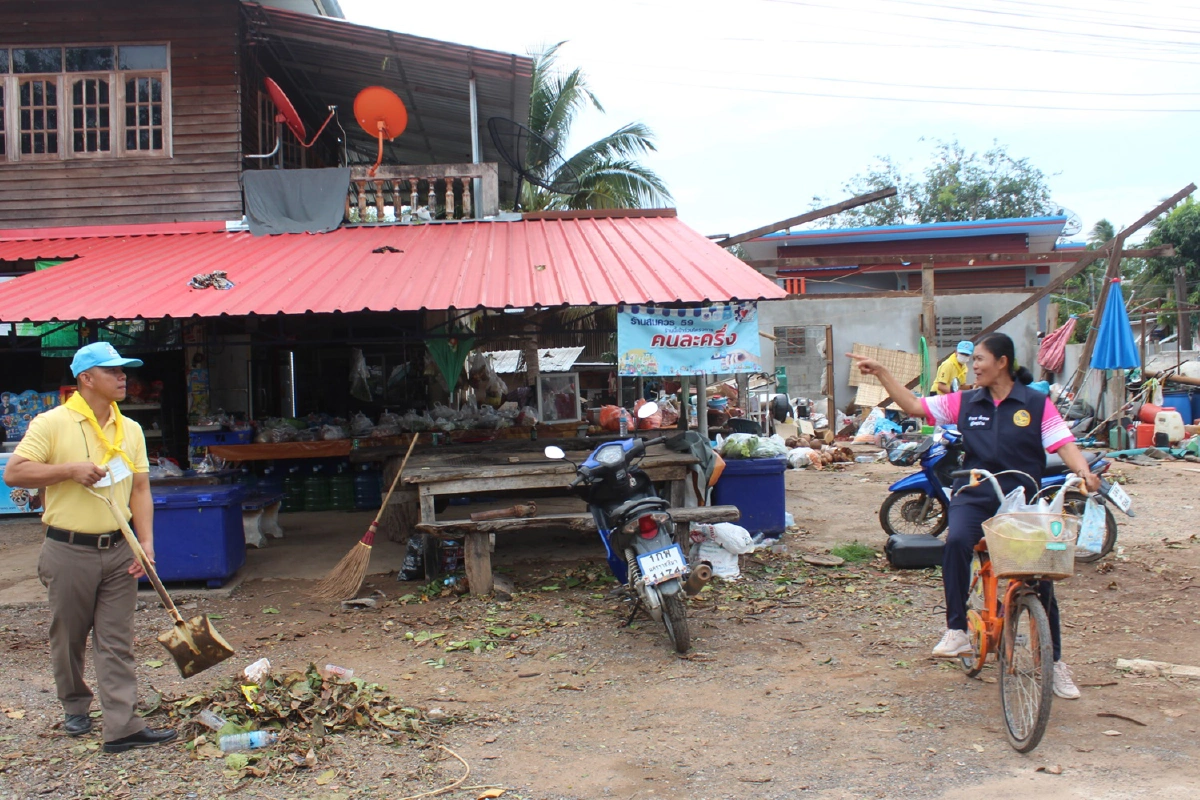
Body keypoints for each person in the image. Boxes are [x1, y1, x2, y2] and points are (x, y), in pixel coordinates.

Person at [849, 333, 1100, 700]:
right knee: (957, 542)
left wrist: (1084, 473)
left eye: (979, 359)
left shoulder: (1035, 403)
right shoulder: (966, 401)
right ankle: (956, 631)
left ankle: (1055, 661)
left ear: (1002, 362)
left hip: (1023, 496)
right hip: (976, 491)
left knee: (1042, 575)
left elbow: (1063, 444)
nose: (973, 366)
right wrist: (884, 374)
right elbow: (916, 407)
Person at [2, 343, 177, 753]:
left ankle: (122, 727)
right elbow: (14, 472)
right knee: (69, 636)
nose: (123, 378)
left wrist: (145, 542)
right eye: (112, 371)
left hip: (119, 549)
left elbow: (140, 488)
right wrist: (69, 470)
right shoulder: (52, 424)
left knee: (117, 639)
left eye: (125, 371)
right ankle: (75, 705)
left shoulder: (129, 429)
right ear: (86, 379)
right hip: (68, 550)